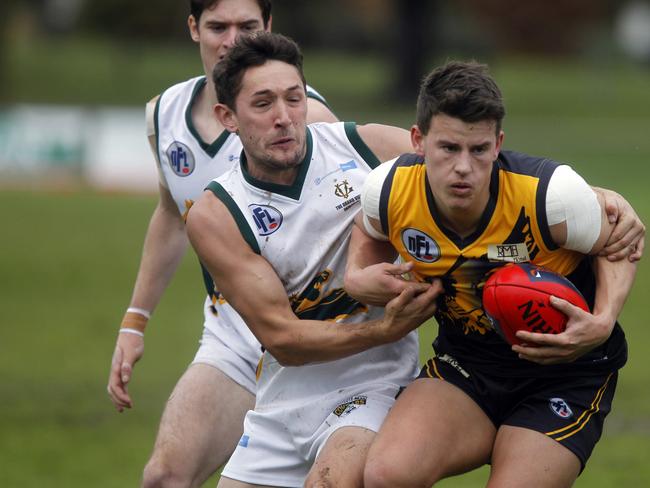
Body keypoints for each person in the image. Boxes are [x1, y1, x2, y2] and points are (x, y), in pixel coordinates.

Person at [344, 60, 639, 487]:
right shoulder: (388, 189)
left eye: (478, 150)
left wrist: (602, 321)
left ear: (498, 143)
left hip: (567, 370)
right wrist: (357, 276)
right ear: (418, 140)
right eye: (448, 148)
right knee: (387, 475)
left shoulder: (550, 195)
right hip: (468, 363)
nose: (464, 166)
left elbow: (620, 243)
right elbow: (366, 230)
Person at [185, 32, 442, 488]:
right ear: (228, 116)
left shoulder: (366, 150)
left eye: (294, 98)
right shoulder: (218, 214)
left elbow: (476, 169)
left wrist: (587, 197)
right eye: (262, 104)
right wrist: (386, 328)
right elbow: (284, 339)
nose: (284, 118)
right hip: (281, 401)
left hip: (373, 386)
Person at [105, 1, 337, 487]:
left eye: (248, 26)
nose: (232, 40)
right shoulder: (164, 114)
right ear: (194, 28)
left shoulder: (305, 116)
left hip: (313, 337)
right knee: (164, 477)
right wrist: (134, 321)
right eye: (217, 26)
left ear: (268, 27)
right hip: (232, 336)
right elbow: (172, 215)